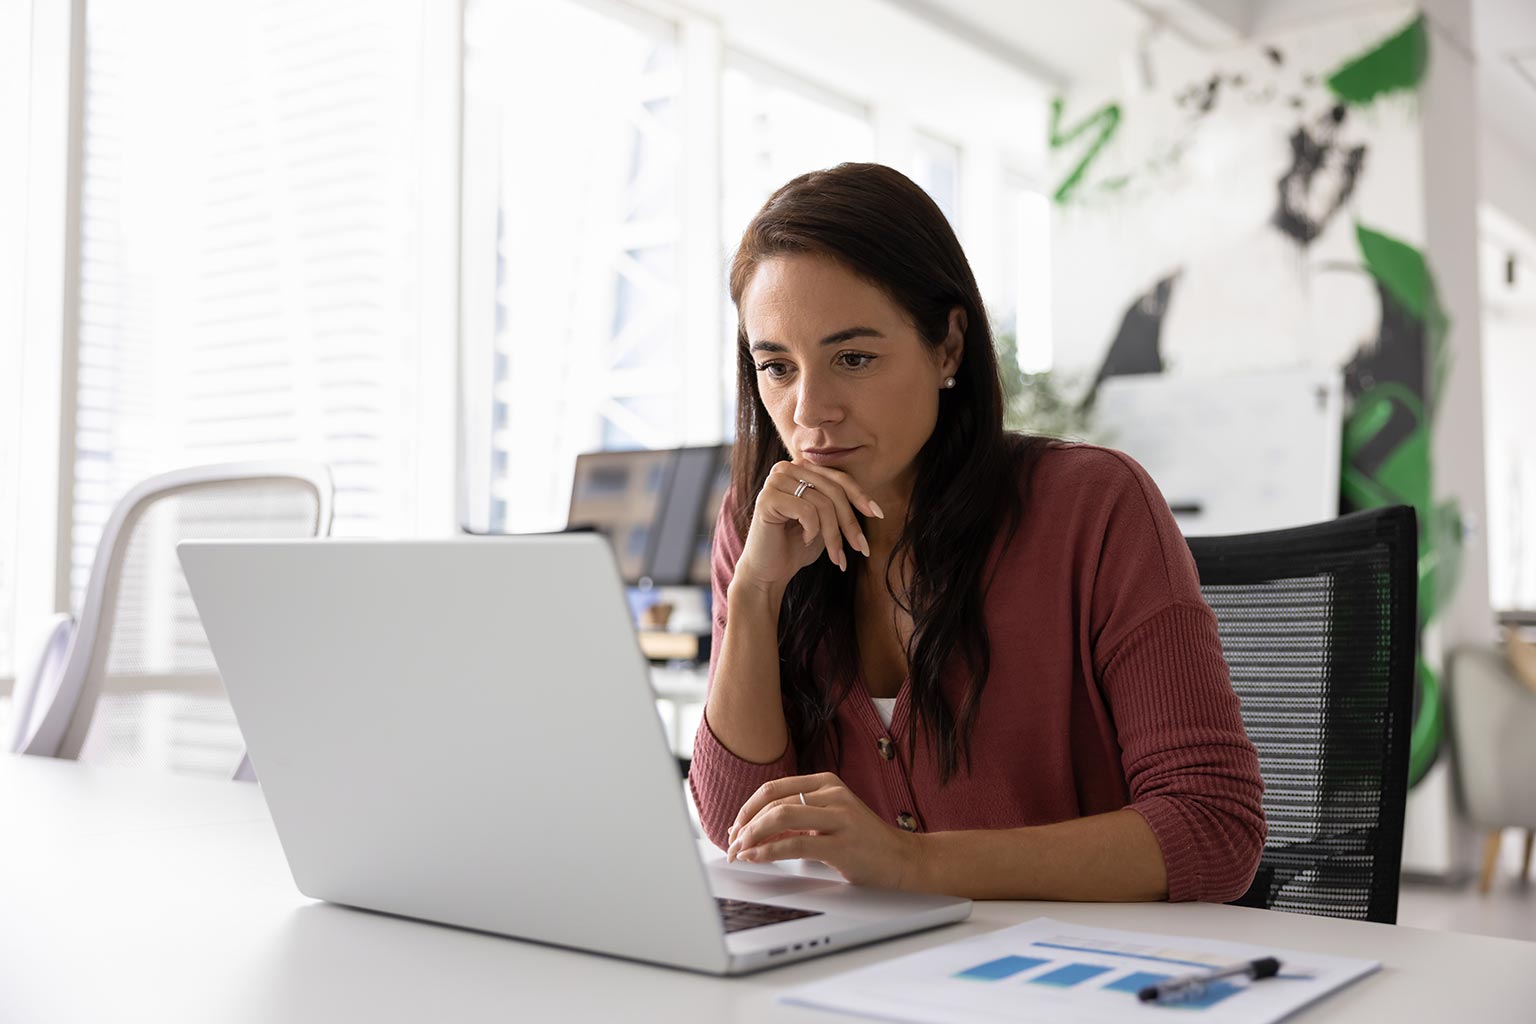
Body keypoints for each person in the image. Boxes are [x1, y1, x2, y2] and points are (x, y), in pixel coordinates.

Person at [689, 162, 1264, 903]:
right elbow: (743, 827)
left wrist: (911, 862)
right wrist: (757, 591)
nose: (809, 411)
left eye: (853, 358)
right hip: (878, 975)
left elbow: (1212, 828)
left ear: (948, 347)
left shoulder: (1092, 507)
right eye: (777, 367)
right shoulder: (761, 524)